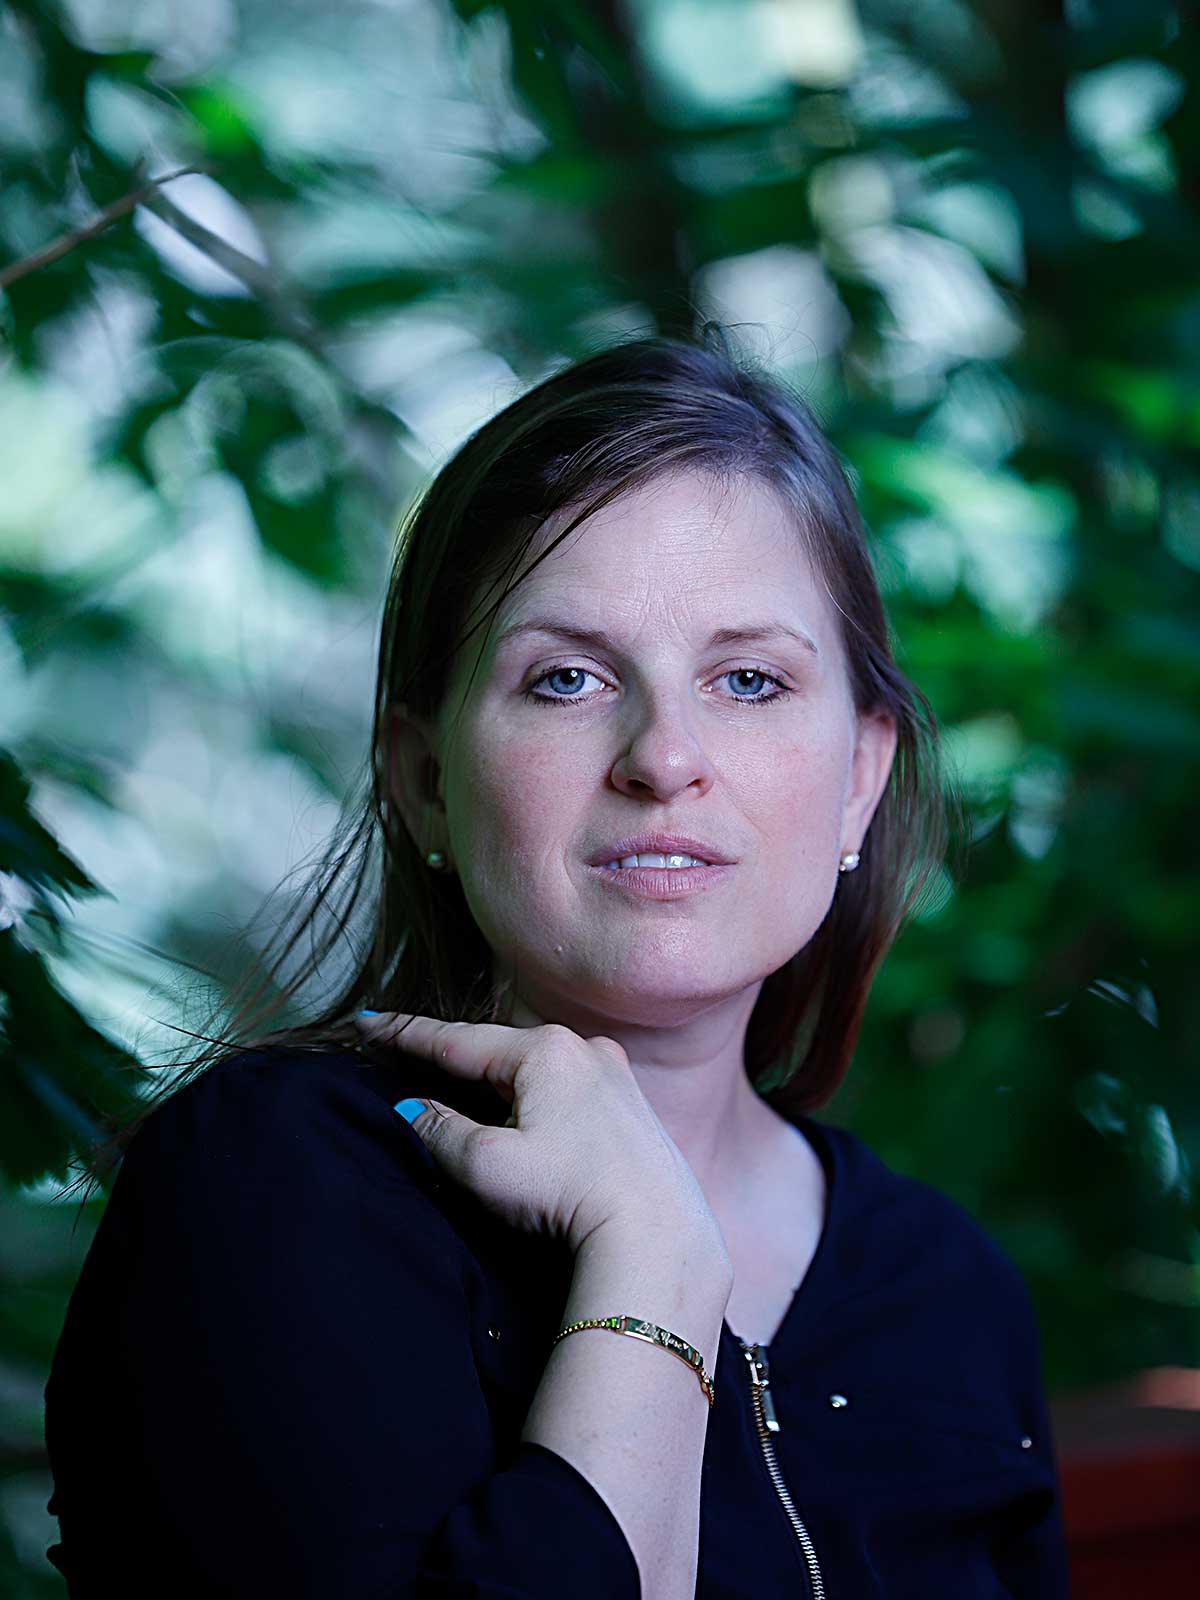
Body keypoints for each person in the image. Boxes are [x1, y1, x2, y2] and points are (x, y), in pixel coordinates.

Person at [43, 329, 1069, 1598]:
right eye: (568, 678)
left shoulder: (947, 1290)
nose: (666, 756)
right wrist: (654, 1273)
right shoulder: (274, 1181)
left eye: (748, 678)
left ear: (860, 779)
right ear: (422, 781)